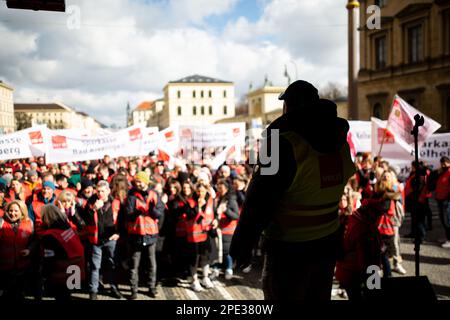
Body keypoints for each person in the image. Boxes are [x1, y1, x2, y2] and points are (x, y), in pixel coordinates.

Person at [230, 80, 355, 301]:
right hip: (327, 243)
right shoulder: (340, 143)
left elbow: (258, 201)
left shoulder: (279, 143)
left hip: (289, 249)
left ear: (287, 107)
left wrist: (242, 245)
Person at [125, 171, 164, 299]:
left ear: (146, 181)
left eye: (140, 181)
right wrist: (137, 212)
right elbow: (128, 216)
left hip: (151, 235)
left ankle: (151, 288)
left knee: (152, 263)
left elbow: (159, 213)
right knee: (134, 264)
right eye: (136, 181)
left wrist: (152, 210)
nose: (138, 183)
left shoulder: (154, 194)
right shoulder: (131, 196)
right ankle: (133, 290)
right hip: (136, 235)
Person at [82, 180, 122, 300]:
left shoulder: (115, 202)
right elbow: (84, 220)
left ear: (108, 191)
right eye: (98, 191)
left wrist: (119, 233)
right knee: (95, 266)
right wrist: (93, 209)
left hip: (111, 239)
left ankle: (114, 288)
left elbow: (121, 219)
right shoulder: (90, 202)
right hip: (96, 239)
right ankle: (93, 292)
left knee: (112, 264)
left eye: (102, 191)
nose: (100, 194)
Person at [40, 204, 85, 300]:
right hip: (77, 266)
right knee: (68, 295)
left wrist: (44, 275)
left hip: (62, 272)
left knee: (61, 296)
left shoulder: (49, 235)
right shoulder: (67, 226)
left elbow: (49, 259)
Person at [0, 201, 36, 300]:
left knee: (19, 294)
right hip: (4, 268)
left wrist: (29, 250)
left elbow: (34, 241)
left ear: (22, 211)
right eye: (10, 210)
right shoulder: (1, 222)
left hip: (22, 267)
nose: (12, 213)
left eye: (16, 211)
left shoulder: (29, 223)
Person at [213, 179, 239, 280]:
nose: (219, 190)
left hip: (228, 229)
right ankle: (218, 267)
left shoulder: (231, 200)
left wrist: (226, 210)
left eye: (221, 188)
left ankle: (229, 268)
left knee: (227, 251)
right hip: (219, 228)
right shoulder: (218, 198)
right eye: (218, 188)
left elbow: (236, 216)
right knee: (218, 249)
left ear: (226, 188)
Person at [435, 157, 450, 248]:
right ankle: (447, 237)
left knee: (448, 220)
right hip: (440, 198)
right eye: (442, 164)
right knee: (443, 220)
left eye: (445, 164)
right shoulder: (442, 172)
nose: (443, 165)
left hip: (447, 200)